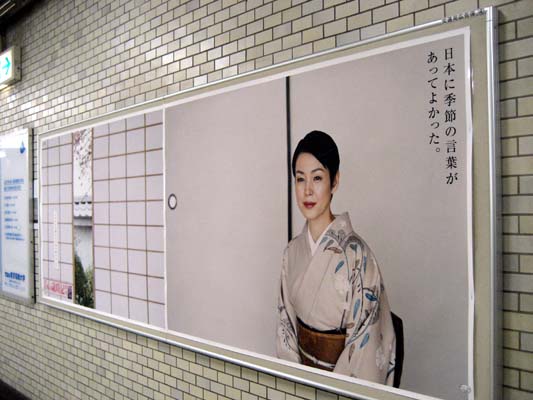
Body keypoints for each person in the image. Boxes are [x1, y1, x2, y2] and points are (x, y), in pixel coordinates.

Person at [276, 130, 396, 385]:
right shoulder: (291, 254)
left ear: (335, 181)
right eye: (300, 179)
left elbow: (363, 350)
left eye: (317, 178)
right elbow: (286, 332)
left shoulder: (358, 257)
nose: (307, 190)